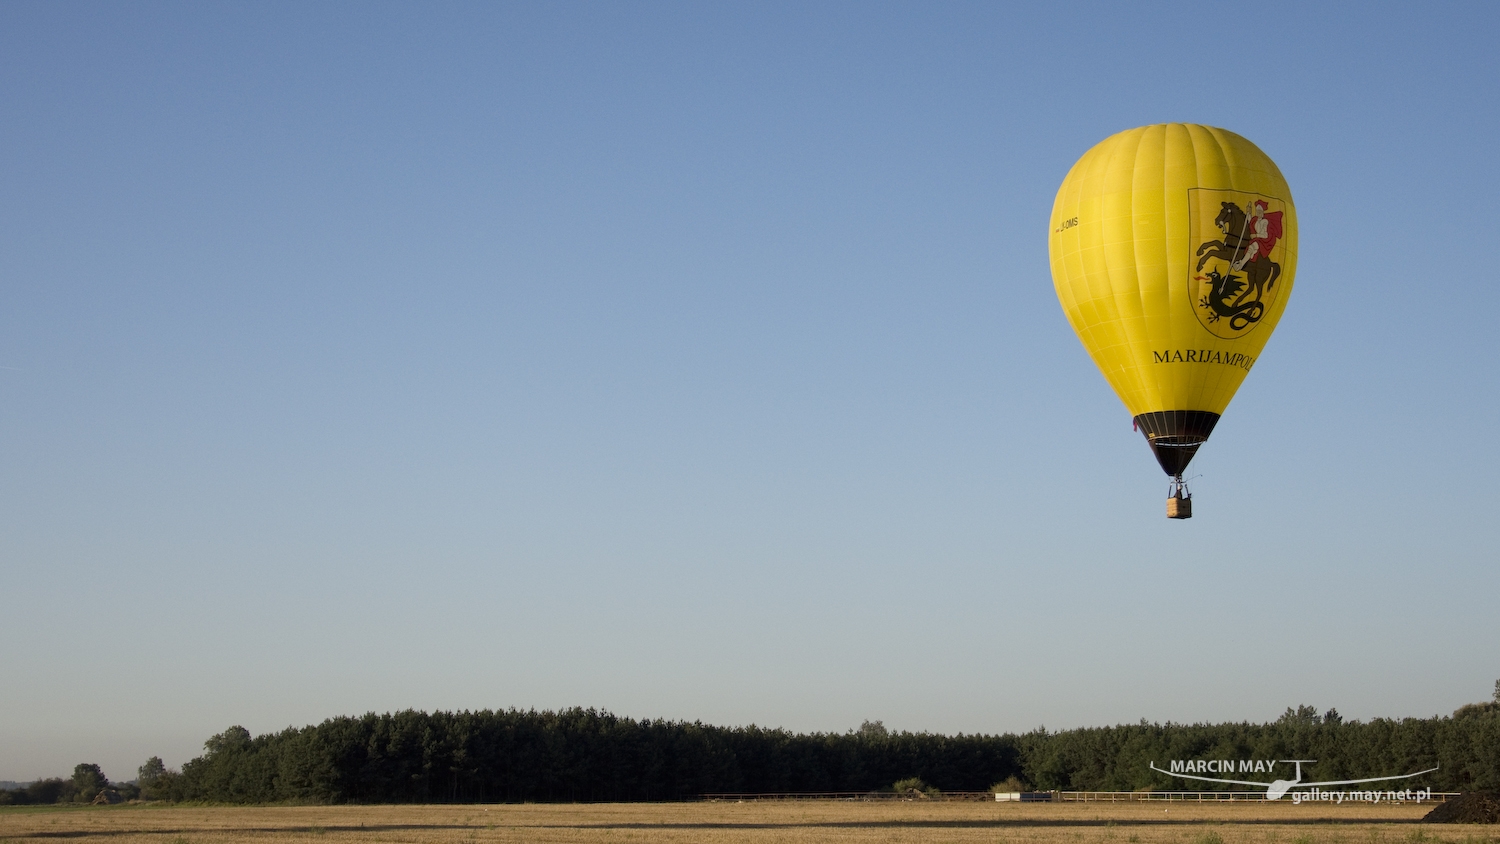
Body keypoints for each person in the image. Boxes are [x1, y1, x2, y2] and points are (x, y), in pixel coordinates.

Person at [1232, 200, 1282, 271]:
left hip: (1263, 241)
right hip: (1255, 238)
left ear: (1262, 212)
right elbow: (1250, 221)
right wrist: (1248, 212)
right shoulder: (1255, 219)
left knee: (1252, 246)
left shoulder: (1264, 222)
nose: (1258, 213)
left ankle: (1241, 264)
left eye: (1260, 211)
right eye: (1257, 211)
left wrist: (1256, 235)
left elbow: (1265, 235)